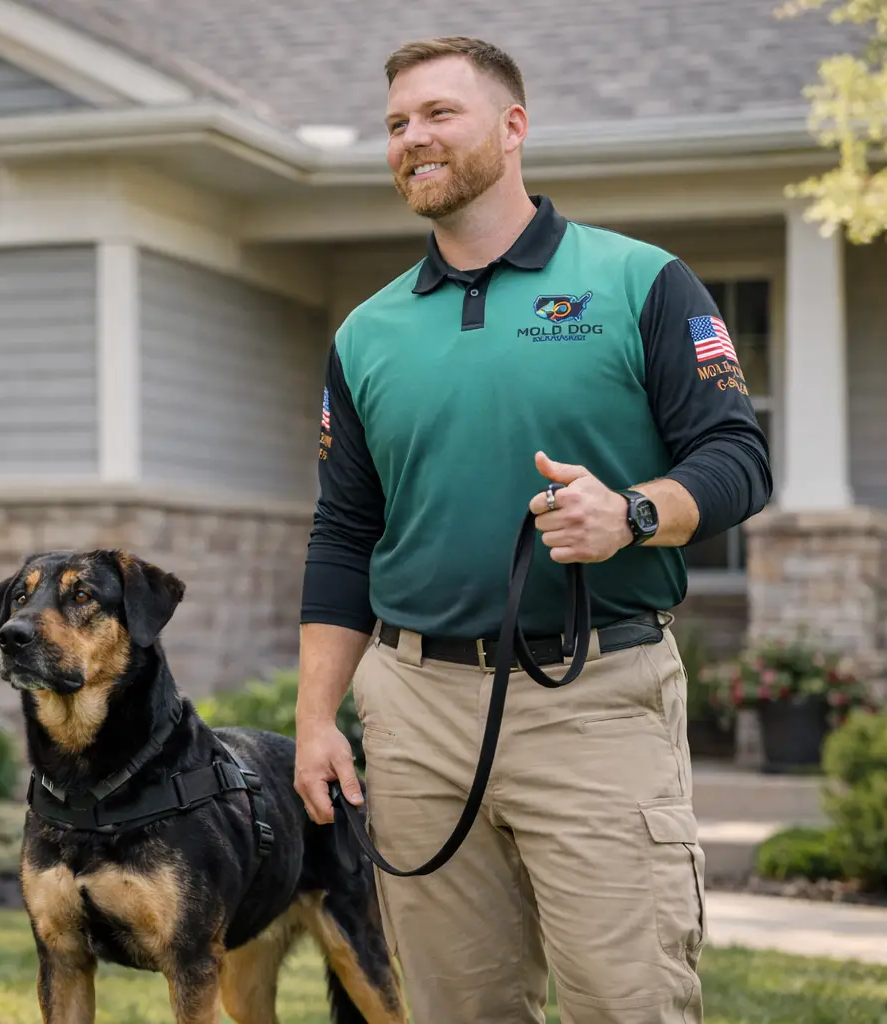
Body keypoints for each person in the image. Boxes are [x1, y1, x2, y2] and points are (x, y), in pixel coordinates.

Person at [291, 35, 772, 1024]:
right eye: (395, 124)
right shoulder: (365, 334)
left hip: (595, 698)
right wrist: (315, 718)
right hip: (417, 712)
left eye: (438, 114)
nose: (412, 139)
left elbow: (737, 459)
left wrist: (633, 513)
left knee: (627, 1001)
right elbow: (343, 533)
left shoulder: (641, 282)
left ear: (513, 129)